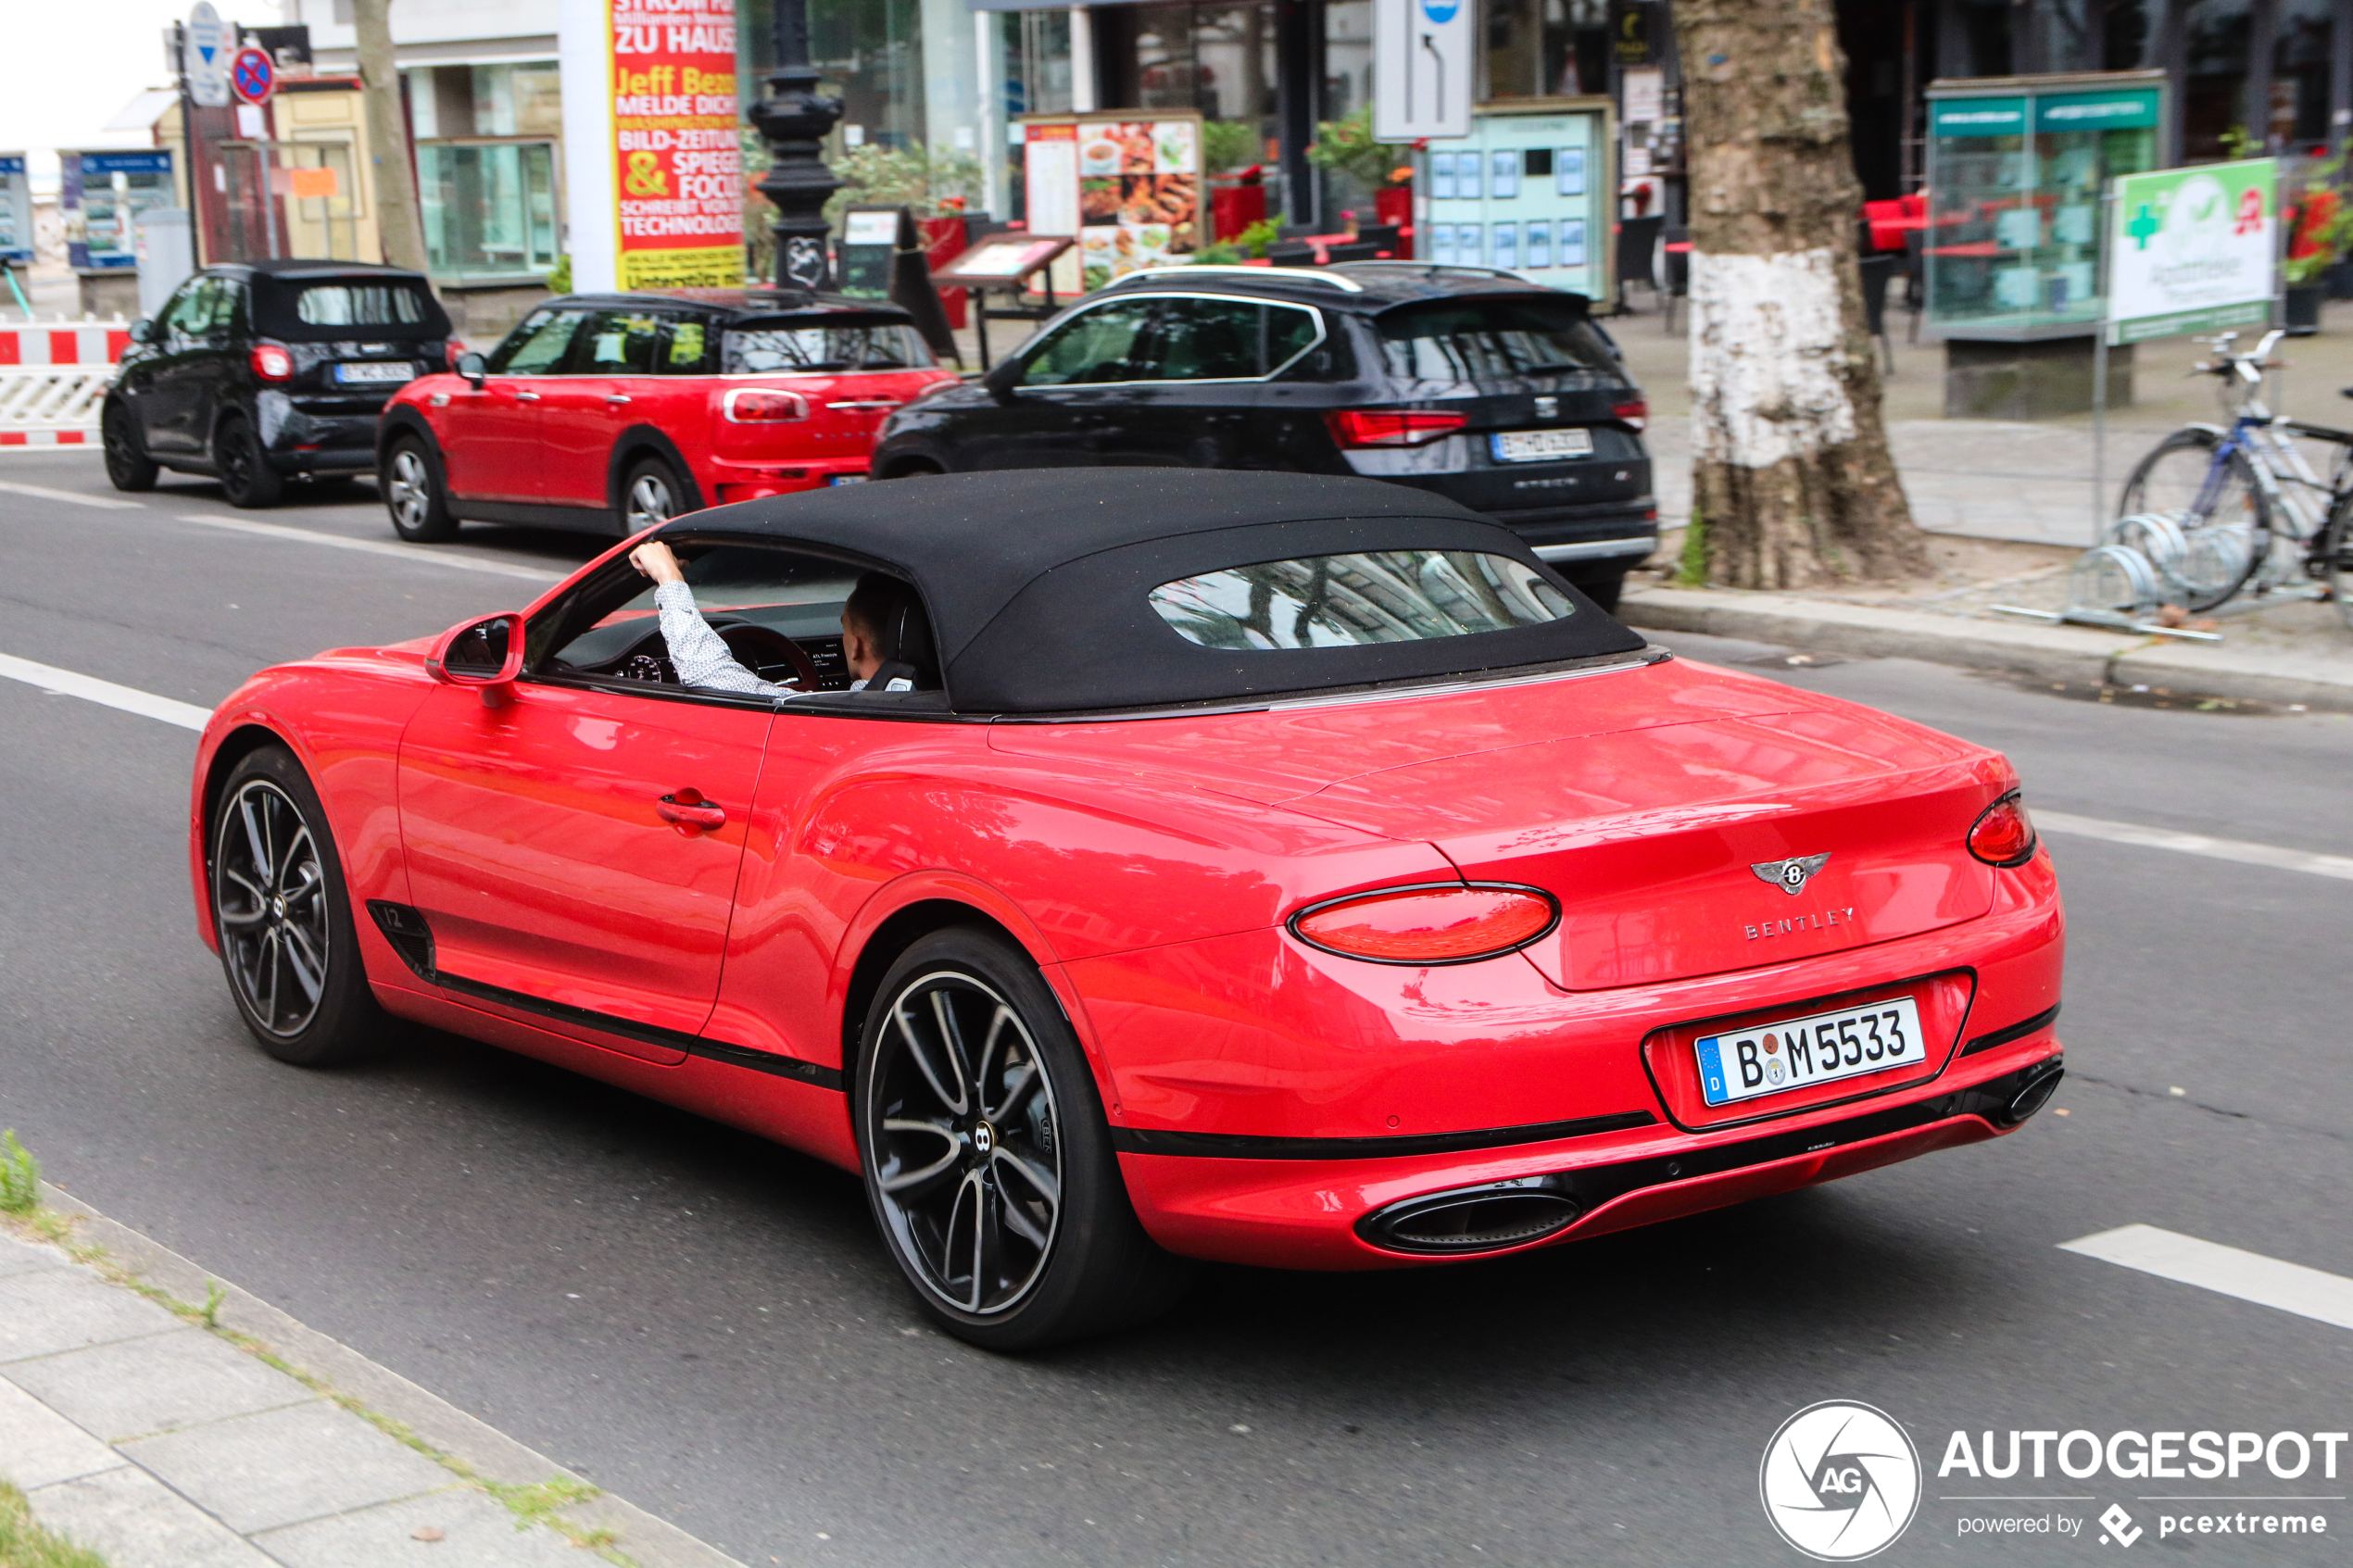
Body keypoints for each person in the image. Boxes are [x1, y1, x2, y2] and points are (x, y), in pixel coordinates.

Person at [628, 540, 922, 697]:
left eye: (844, 627)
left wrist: (668, 576)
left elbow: (707, 674)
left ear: (857, 645)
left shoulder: (840, 714)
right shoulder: (949, 698)